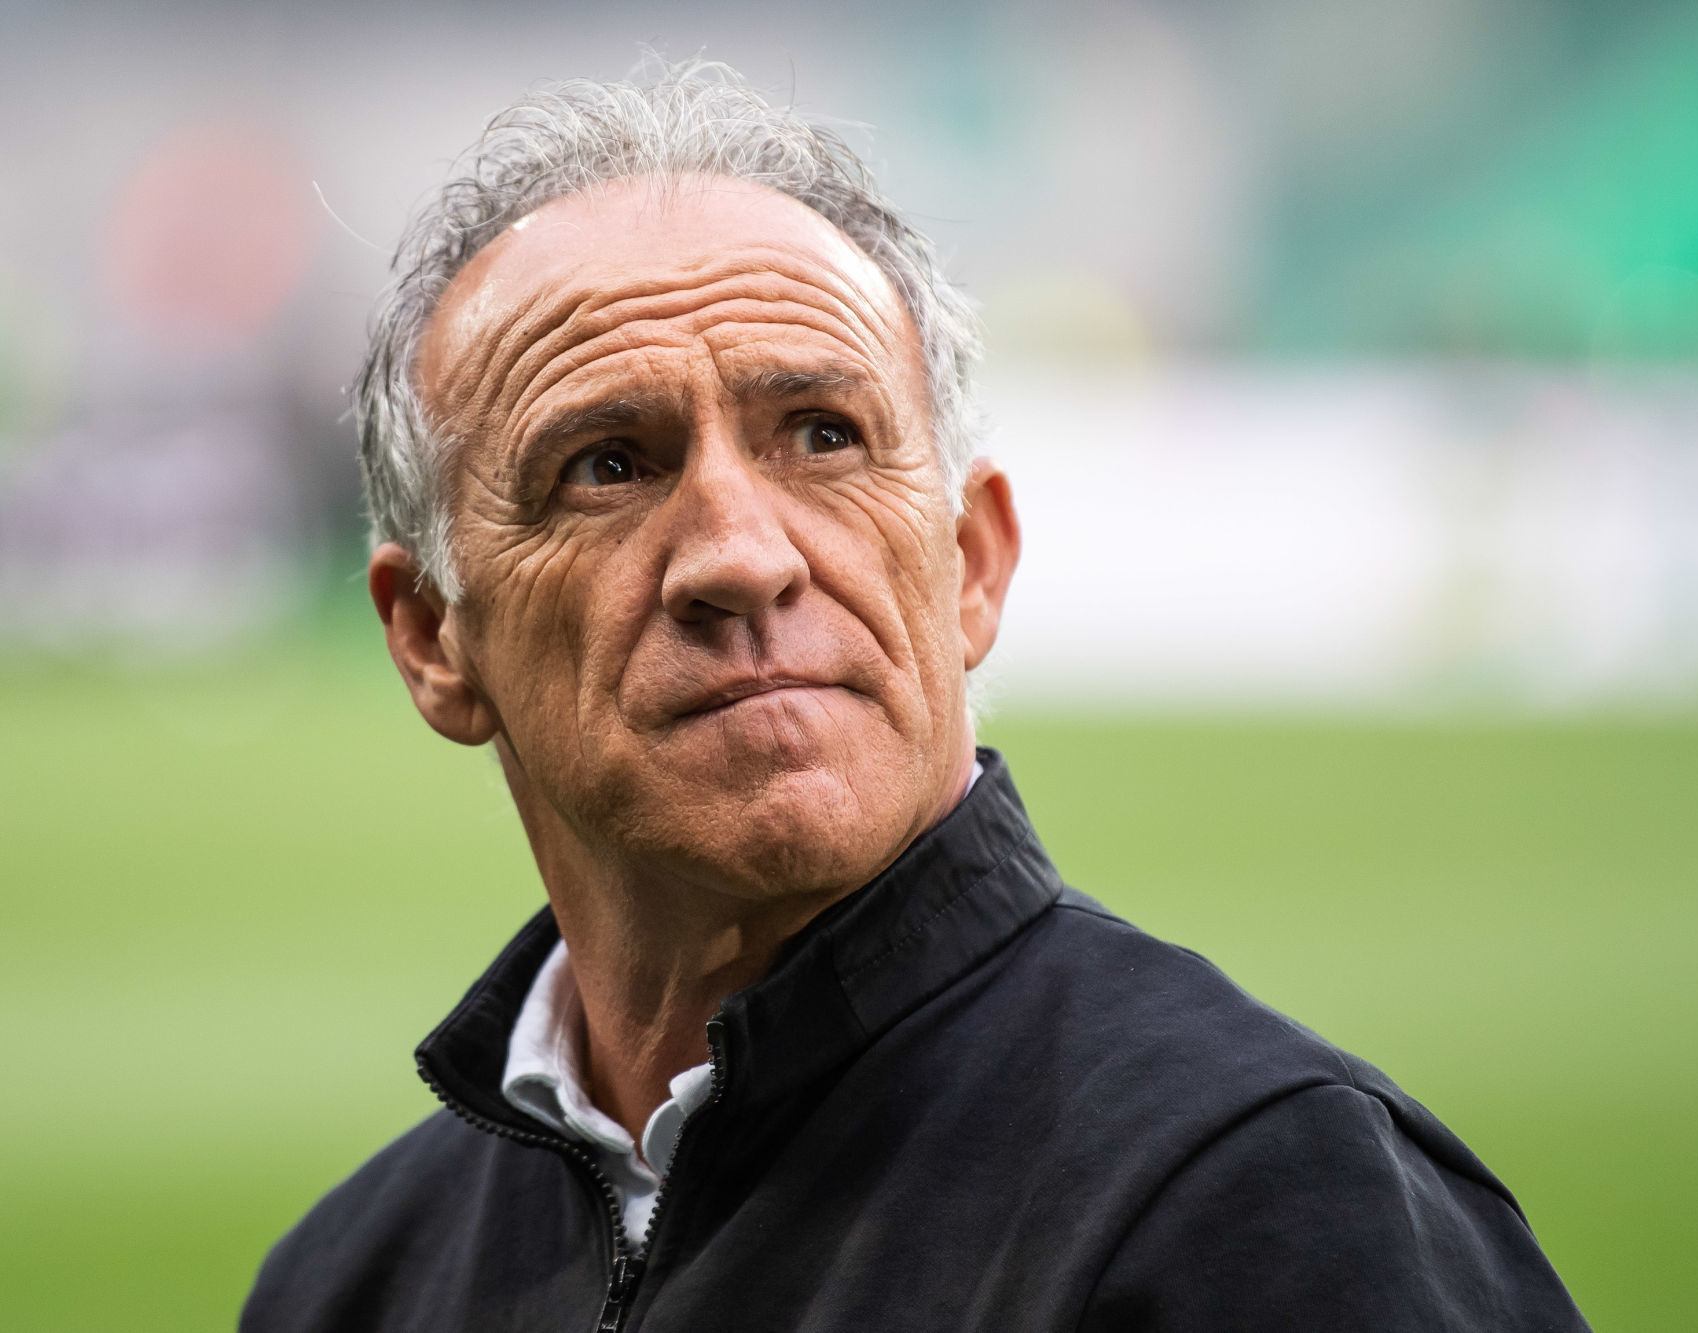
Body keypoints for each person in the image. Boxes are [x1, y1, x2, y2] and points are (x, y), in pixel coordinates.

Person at [242, 60, 1591, 1333]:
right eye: (607, 464)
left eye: (824, 435)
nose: (743, 555)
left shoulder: (1259, 1199)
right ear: (433, 637)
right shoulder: (350, 1284)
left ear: (971, 566)